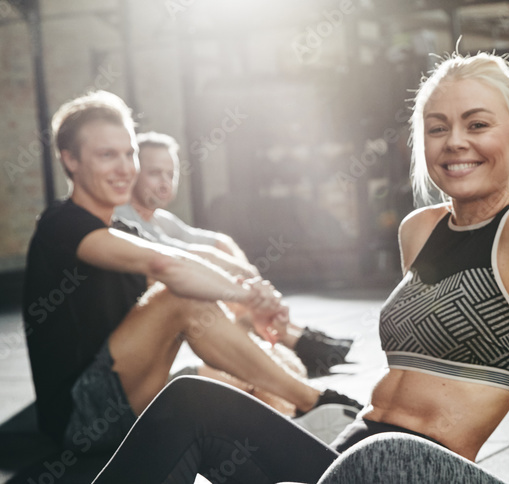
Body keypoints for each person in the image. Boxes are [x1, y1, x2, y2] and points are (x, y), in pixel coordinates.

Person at [93, 51, 509, 484]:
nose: (454, 142)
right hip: (351, 457)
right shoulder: (419, 230)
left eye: (478, 124)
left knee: (379, 456)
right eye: (437, 128)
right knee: (190, 402)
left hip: (413, 468)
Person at [22, 90, 361, 456]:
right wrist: (247, 296)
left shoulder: (123, 230)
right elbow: (166, 266)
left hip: (133, 395)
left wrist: (256, 298)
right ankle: (319, 401)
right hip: (82, 417)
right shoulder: (60, 225)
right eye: (107, 155)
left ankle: (304, 433)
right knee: (178, 296)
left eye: (129, 153)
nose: (124, 168)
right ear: (70, 160)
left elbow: (193, 255)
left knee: (259, 372)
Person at [113, 131, 353, 376]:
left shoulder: (160, 219)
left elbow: (218, 243)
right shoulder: (122, 217)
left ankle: (287, 331)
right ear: (132, 173)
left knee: (221, 253)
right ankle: (286, 338)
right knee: (205, 279)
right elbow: (184, 259)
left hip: (171, 310)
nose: (165, 182)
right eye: (154, 173)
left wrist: (257, 290)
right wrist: (253, 292)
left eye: (171, 174)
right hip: (138, 327)